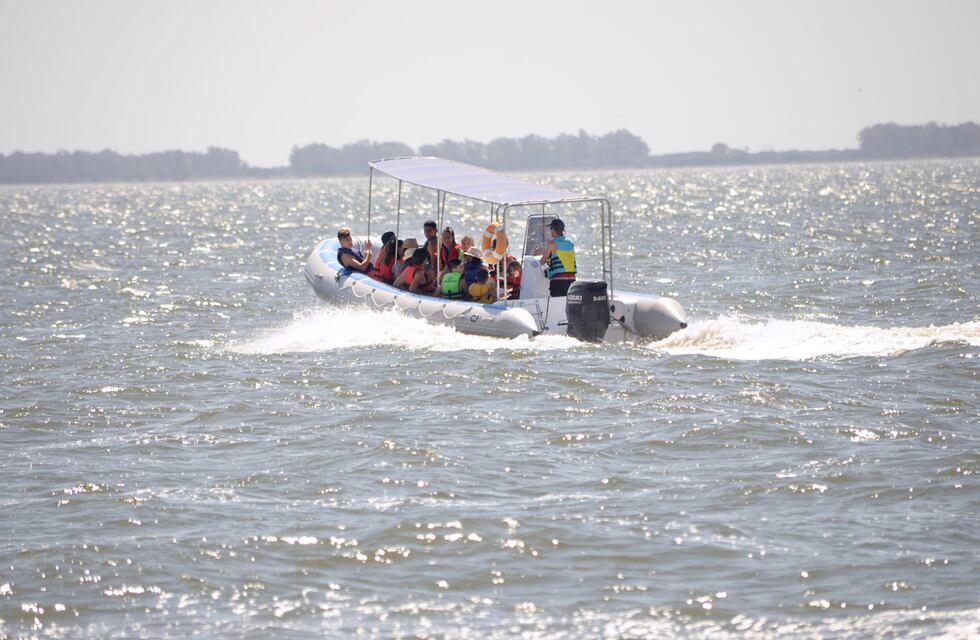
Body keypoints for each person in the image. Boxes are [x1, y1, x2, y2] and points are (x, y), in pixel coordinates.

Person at [539, 218, 576, 297]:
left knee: (557, 304)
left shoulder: (552, 243)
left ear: (553, 230)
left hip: (558, 281)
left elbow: (542, 261)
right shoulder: (570, 243)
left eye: (551, 228)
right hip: (572, 280)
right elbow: (562, 254)